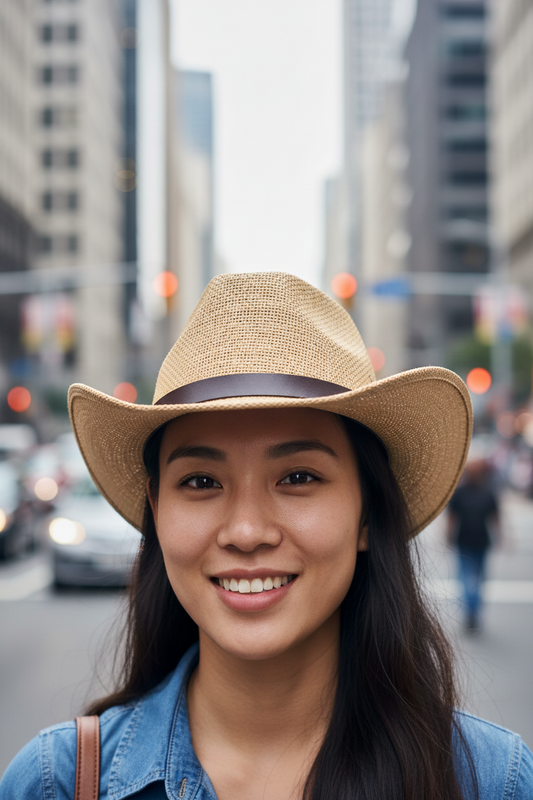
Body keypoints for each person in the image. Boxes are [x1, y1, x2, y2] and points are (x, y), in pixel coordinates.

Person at [1, 272, 532, 800]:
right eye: (201, 482)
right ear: (157, 514)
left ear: (367, 514)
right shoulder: (55, 783)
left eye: (298, 477)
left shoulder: (491, 781)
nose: (247, 532)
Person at [447, 457, 501, 632]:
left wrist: (448, 536)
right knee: (479, 577)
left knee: (464, 576)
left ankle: (470, 609)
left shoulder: (460, 493)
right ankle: (474, 609)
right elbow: (495, 519)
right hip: (482, 540)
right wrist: (500, 537)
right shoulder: (488, 492)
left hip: (464, 539)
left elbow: (452, 519)